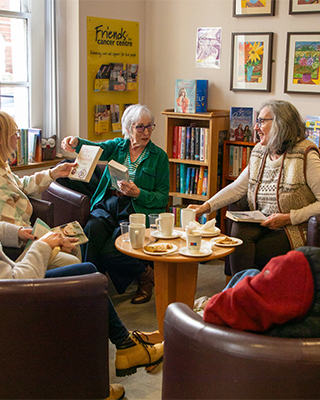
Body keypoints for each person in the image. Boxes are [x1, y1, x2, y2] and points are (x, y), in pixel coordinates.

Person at [0, 220, 164, 400]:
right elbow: (15, 283)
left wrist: (17, 232)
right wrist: (42, 246)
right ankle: (91, 387)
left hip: (12, 293)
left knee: (87, 272)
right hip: (11, 308)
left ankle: (126, 345)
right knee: (85, 291)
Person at [188, 100, 320, 276]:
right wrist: (205, 207)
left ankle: (244, 295)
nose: (256, 127)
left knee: (254, 253)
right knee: (238, 235)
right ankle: (239, 294)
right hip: (263, 220)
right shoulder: (260, 151)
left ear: (281, 124)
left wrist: (289, 218)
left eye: (262, 121)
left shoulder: (306, 154)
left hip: (293, 227)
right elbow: (238, 187)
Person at [61, 104, 169, 304]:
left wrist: (139, 193)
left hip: (137, 209)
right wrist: (76, 142)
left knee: (112, 251)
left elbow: (162, 197)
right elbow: (95, 149)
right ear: (128, 129)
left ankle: (145, 276)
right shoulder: (119, 146)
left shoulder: (159, 157)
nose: (146, 132)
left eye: (149, 126)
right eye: (140, 127)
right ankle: (89, 288)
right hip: (110, 203)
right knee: (92, 231)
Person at [0, 110, 81, 269]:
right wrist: (54, 239)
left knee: (75, 243)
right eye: (14, 133)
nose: (18, 137)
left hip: (29, 235)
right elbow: (16, 233)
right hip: (19, 250)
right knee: (72, 261)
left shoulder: (3, 167)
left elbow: (21, 185)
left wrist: (53, 173)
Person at [203, 246, 320, 338]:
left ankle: (208, 299)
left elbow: (215, 311)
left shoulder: (301, 266)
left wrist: (209, 304)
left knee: (244, 277)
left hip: (249, 350)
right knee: (249, 273)